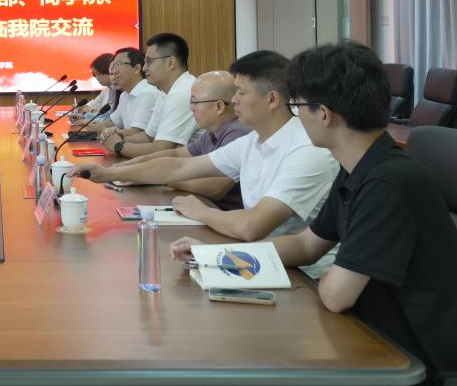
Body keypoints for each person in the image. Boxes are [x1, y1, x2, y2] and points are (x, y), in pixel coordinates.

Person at [173, 42, 457, 381]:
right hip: (367, 332)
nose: (295, 117)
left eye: (296, 106)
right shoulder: (358, 167)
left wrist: (325, 276)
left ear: (324, 113)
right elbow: (306, 244)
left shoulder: (387, 182)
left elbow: (336, 295)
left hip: (409, 354)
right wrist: (217, 255)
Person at [73, 50, 339, 277]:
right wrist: (106, 174)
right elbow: (178, 165)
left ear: (272, 99)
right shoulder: (254, 140)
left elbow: (252, 225)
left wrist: (200, 212)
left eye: (241, 93)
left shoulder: (306, 149)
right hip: (259, 258)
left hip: (304, 276)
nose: (233, 101)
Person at [115, 71, 248, 210]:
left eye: (195, 102)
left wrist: (158, 178)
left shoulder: (237, 133)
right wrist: (136, 164)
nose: (191, 108)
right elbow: (177, 154)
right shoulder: (212, 131)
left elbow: (215, 188)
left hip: (224, 214)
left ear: (219, 106)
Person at [103, 33, 198, 158]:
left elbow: (160, 150)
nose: (144, 68)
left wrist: (118, 146)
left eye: (149, 61)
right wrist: (119, 136)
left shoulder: (181, 94)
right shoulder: (164, 92)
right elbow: (149, 136)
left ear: (170, 63)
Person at [94, 47, 159, 137]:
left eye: (119, 64)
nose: (114, 71)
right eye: (114, 66)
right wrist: (88, 124)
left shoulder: (148, 92)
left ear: (136, 68)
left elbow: (137, 132)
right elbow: (112, 122)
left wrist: (105, 131)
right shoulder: (124, 95)